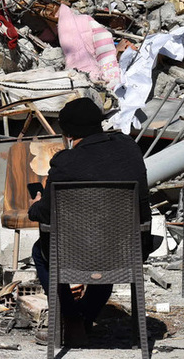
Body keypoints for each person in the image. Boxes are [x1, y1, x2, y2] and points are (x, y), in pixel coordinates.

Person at [28, 97, 152, 346]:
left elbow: (47, 212)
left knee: (41, 253)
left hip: (77, 253)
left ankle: (72, 319)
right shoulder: (129, 149)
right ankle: (85, 317)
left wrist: (35, 206)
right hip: (130, 249)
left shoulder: (65, 163)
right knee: (106, 258)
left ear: (69, 134)